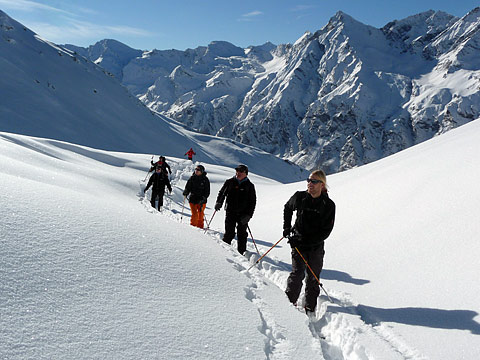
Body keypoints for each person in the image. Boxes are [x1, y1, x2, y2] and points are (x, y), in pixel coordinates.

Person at [283, 170, 335, 315]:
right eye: (308, 180)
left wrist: (308, 241)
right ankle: (288, 304)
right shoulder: (300, 197)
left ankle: (310, 308)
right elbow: (287, 208)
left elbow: (326, 230)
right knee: (297, 274)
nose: (309, 184)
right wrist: (287, 228)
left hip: (315, 247)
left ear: (322, 184)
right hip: (298, 243)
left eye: (314, 181)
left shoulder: (328, 205)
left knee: (313, 277)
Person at [215, 164, 256, 255]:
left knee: (242, 234)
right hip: (230, 211)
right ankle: (224, 253)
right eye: (237, 171)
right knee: (229, 233)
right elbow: (222, 193)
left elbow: (252, 202)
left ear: (246, 173)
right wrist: (219, 202)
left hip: (243, 214)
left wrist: (249, 215)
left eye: (241, 171)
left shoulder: (249, 186)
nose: (238, 173)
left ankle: (241, 253)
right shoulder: (229, 182)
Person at [183, 164, 210, 228]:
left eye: (198, 170)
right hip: (193, 199)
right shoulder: (192, 178)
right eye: (196, 169)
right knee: (194, 215)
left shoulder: (205, 180)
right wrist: (186, 191)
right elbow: (188, 187)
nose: (196, 171)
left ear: (202, 171)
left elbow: (207, 191)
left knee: (200, 216)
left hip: (201, 200)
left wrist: (204, 198)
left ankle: (200, 229)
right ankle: (193, 229)